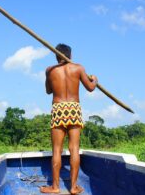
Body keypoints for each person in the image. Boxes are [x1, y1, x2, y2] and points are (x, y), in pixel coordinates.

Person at [40, 43, 98, 194]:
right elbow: (91, 87)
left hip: (58, 108)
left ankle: (55, 187)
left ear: (56, 55)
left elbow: (48, 91)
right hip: (73, 108)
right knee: (74, 149)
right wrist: (95, 79)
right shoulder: (78, 68)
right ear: (70, 55)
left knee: (57, 149)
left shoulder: (50, 70)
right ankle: (73, 187)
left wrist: (50, 77)